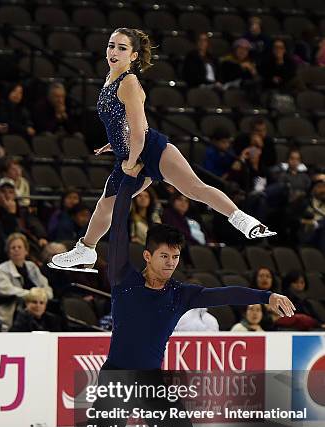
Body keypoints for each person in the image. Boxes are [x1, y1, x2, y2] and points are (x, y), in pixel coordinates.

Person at [52, 166, 296, 427]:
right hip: (115, 381)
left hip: (152, 383)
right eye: (164, 256)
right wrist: (128, 182)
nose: (170, 262)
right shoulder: (123, 278)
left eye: (176, 257)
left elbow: (225, 293)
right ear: (147, 255)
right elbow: (117, 226)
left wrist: (266, 295)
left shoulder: (181, 294)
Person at [50, 28, 276, 273]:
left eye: (122, 48)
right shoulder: (110, 77)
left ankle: (244, 220)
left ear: (134, 56)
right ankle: (86, 251)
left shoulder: (129, 83)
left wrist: (131, 164)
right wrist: (115, 144)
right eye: (111, 45)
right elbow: (119, 122)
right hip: (130, 151)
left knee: (193, 188)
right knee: (105, 206)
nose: (114, 52)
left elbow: (138, 132)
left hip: (149, 149)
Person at [0, 232, 53, 327]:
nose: (16, 250)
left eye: (19, 247)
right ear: (8, 252)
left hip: (37, 312)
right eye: (13, 248)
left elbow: (46, 288)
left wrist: (42, 296)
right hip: (12, 315)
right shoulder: (2, 269)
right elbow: (5, 290)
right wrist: (32, 295)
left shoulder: (32, 267)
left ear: (26, 251)